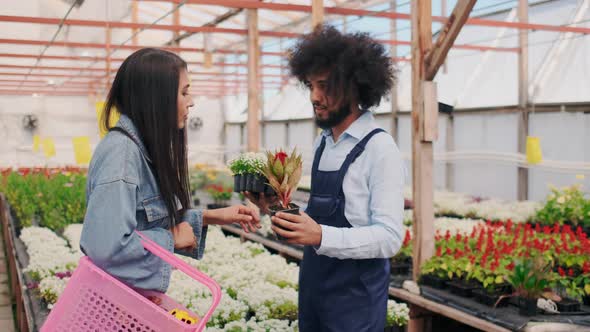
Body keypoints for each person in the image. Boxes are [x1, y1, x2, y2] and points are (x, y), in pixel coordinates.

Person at [249, 25, 405, 331]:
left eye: (325, 86)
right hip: (314, 293)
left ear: (356, 86)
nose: (315, 97)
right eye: (310, 85)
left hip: (355, 303)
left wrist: (321, 235)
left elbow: (389, 237)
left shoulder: (379, 148)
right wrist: (277, 208)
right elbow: (319, 217)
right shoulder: (324, 142)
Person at [80, 48, 260, 293]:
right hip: (118, 306)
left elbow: (143, 223)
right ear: (155, 98)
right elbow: (105, 246)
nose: (192, 101)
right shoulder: (122, 155)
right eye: (184, 92)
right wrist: (171, 237)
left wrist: (212, 216)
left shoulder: (136, 148)